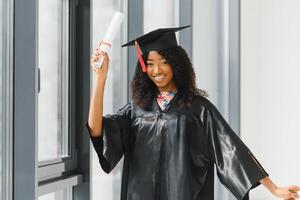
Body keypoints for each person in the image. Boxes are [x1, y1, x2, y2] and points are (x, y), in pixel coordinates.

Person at [87, 26, 300, 200]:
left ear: (177, 64)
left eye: (164, 62)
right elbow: (97, 130)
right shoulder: (136, 109)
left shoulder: (199, 109)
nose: (157, 70)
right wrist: (101, 78)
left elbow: (232, 150)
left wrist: (274, 189)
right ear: (143, 68)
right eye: (150, 64)